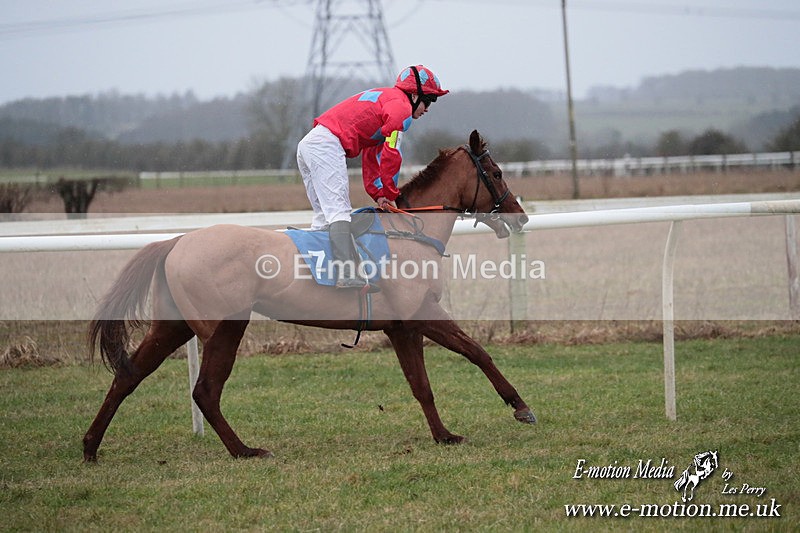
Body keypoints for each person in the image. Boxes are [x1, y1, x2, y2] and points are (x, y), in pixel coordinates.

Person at [296, 65, 449, 289]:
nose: (428, 108)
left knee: (323, 218)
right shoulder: (401, 110)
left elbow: (372, 156)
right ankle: (347, 274)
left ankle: (318, 280)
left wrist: (378, 194)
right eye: (429, 100)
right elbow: (391, 155)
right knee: (339, 212)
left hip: (310, 144)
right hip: (326, 146)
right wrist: (391, 193)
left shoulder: (389, 101)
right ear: (415, 95)